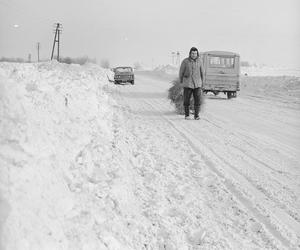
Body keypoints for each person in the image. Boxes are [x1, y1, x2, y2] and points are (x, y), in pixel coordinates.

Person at [179, 47, 203, 120]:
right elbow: (181, 72)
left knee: (198, 100)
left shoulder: (200, 61)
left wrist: (203, 83)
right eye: (192, 53)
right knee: (186, 100)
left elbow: (202, 72)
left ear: (197, 54)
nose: (194, 55)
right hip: (188, 84)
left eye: (195, 53)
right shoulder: (185, 61)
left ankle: (196, 115)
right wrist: (181, 82)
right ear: (190, 53)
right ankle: (187, 115)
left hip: (197, 84)